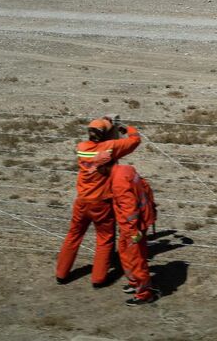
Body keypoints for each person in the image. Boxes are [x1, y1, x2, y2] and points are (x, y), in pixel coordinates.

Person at [54, 116, 141, 287]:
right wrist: (127, 128)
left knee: (73, 235)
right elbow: (135, 140)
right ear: (107, 134)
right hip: (102, 203)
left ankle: (61, 274)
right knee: (104, 238)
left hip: (82, 201)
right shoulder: (110, 148)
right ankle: (99, 278)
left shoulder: (81, 148)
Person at [112, 162, 157, 305]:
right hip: (135, 222)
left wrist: (133, 232)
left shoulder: (118, 183)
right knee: (125, 252)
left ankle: (145, 293)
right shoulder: (126, 169)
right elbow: (145, 186)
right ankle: (134, 282)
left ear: (104, 167)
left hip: (134, 226)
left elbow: (129, 209)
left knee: (137, 259)